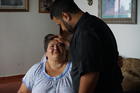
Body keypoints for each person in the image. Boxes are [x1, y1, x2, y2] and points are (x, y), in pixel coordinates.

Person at [46, 0, 124, 93]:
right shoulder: (94, 22)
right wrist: (67, 43)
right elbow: (88, 51)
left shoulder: (85, 32)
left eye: (60, 24)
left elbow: (90, 74)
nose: (62, 29)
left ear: (65, 16)